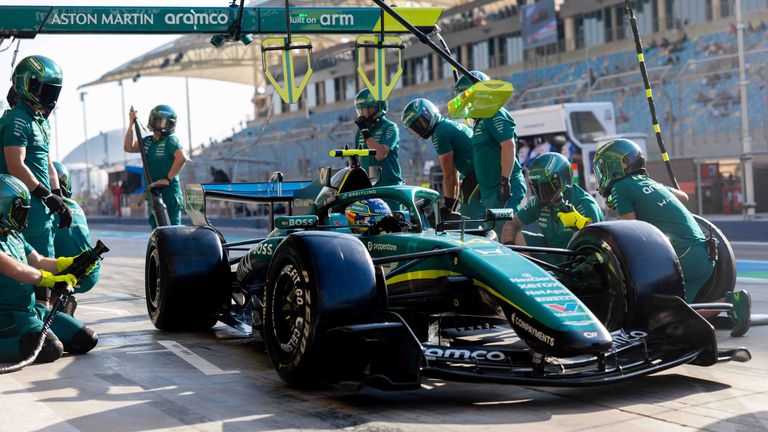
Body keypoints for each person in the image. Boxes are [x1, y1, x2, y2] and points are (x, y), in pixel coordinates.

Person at [593, 138, 750, 336]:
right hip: (704, 255)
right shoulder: (649, 182)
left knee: (665, 322)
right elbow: (683, 197)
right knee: (681, 312)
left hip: (683, 257)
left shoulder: (621, 188)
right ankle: (733, 301)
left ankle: (726, 303)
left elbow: (630, 233)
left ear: (615, 166)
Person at [0, 174, 98, 364]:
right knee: (51, 348)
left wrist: (70, 262)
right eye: (19, 211)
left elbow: (38, 260)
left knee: (86, 339)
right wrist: (49, 280)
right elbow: (16, 270)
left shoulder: (13, 235)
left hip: (31, 311)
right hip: (8, 317)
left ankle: (30, 334)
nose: (24, 217)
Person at [0, 56, 72, 262]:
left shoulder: (41, 121)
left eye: (53, 90)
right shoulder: (17, 120)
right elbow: (16, 165)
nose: (50, 97)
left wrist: (60, 199)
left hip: (42, 206)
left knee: (45, 260)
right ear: (25, 84)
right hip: (24, 206)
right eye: (44, 89)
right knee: (33, 268)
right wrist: (47, 195)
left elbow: (48, 164)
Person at [454, 71, 526, 241]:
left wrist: (505, 181)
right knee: (494, 239)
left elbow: (508, 145)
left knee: (507, 238)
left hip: (503, 190)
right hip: (489, 193)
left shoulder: (494, 112)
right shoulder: (481, 120)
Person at [504, 153, 603, 263]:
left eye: (544, 186)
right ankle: (528, 276)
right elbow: (511, 224)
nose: (540, 194)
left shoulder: (584, 203)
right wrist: (508, 253)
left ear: (560, 181)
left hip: (575, 256)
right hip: (551, 253)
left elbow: (595, 243)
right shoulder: (539, 201)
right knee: (517, 237)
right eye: (536, 187)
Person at [401, 98, 481, 220]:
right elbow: (454, 174)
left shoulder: (440, 133)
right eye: (416, 127)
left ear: (430, 113)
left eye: (421, 122)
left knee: (468, 218)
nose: (421, 128)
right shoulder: (446, 125)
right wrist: (451, 205)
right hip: (478, 171)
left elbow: (449, 174)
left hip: (476, 174)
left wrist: (448, 206)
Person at [124, 105, 189, 228]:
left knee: (172, 232)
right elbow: (128, 147)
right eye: (159, 121)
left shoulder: (171, 140)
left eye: (165, 122)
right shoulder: (148, 141)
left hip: (168, 193)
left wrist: (167, 178)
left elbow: (182, 158)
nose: (161, 125)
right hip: (153, 193)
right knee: (158, 234)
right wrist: (131, 123)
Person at [52, 161, 100, 315]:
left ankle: (55, 303)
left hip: (66, 275)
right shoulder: (77, 206)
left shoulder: (42, 210)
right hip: (90, 274)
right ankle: (65, 299)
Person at [353, 89, 402, 187]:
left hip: (389, 187)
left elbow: (380, 154)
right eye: (360, 110)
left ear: (378, 107)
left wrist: (366, 134)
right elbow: (358, 159)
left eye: (367, 109)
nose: (363, 114)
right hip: (368, 187)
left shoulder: (390, 127)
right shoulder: (361, 131)